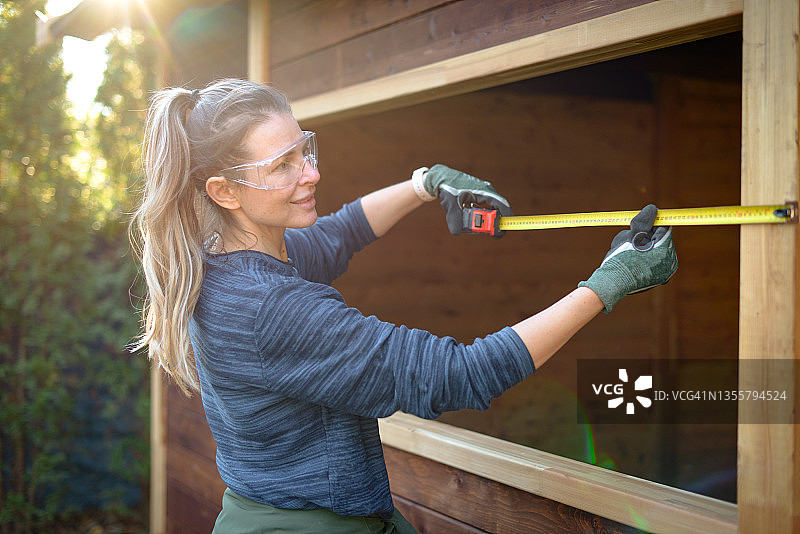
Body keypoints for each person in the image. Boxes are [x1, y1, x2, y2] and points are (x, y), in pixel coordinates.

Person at [130, 78, 677, 533]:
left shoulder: (230, 259)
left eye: (306, 150)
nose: (311, 172)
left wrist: (424, 184)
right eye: (283, 165)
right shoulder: (270, 307)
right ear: (226, 192)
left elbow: (339, 233)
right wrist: (609, 283)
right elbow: (458, 374)